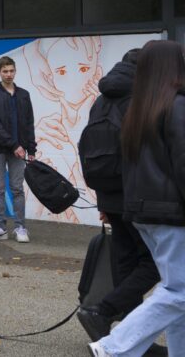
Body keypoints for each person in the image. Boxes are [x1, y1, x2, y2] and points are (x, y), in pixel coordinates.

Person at [90, 40, 185, 357]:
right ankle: (113, 347)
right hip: (171, 213)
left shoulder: (138, 109)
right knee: (179, 292)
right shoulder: (177, 105)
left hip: (143, 212)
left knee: (177, 293)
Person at [76, 49, 166, 356]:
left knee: (127, 263)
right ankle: (103, 310)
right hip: (137, 196)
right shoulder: (140, 100)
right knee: (155, 264)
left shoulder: (102, 101)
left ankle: (132, 339)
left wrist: (103, 198)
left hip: (110, 195)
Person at [0, 56, 36, 243]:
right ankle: (0, 228)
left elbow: (29, 123)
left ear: (15, 71)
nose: (9, 74)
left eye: (11, 70)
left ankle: (20, 227)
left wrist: (32, 149)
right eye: (5, 71)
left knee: (17, 189)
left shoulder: (24, 94)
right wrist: (15, 146)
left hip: (20, 150)